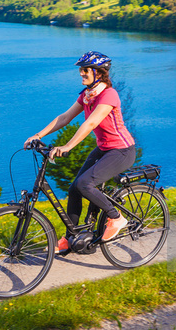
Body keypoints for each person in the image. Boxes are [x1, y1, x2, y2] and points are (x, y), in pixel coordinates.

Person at [24, 50, 136, 253]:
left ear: (99, 73)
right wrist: (38, 135)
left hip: (122, 151)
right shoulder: (86, 95)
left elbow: (91, 122)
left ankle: (116, 218)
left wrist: (67, 146)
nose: (81, 73)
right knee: (74, 188)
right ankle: (71, 237)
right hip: (104, 149)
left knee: (85, 183)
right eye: (81, 70)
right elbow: (64, 117)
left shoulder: (108, 94)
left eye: (85, 70)